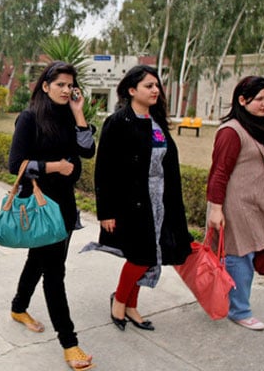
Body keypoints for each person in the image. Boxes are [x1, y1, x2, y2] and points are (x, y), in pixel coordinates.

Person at [7, 62, 96, 371]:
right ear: (45, 86)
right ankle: (69, 343)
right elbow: (15, 164)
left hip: (65, 207)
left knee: (39, 261)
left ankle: (19, 308)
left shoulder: (70, 116)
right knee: (54, 272)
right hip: (40, 206)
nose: (66, 89)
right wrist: (54, 166)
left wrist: (79, 112)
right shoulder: (30, 118)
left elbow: (88, 150)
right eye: (59, 84)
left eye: (70, 85)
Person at [94, 65, 192, 333]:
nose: (155, 90)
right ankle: (120, 301)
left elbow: (168, 166)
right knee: (140, 256)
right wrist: (106, 212)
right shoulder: (117, 122)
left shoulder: (157, 122)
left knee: (149, 255)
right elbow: (104, 170)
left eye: (157, 86)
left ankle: (130, 305)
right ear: (131, 90)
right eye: (149, 86)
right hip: (132, 202)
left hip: (160, 201)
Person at [206, 76, 264, 331]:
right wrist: (216, 209)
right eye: (259, 99)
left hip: (257, 206)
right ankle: (239, 310)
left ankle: (229, 301)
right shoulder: (232, 131)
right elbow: (219, 173)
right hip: (236, 207)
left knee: (248, 255)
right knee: (240, 256)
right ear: (242, 100)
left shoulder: (261, 128)